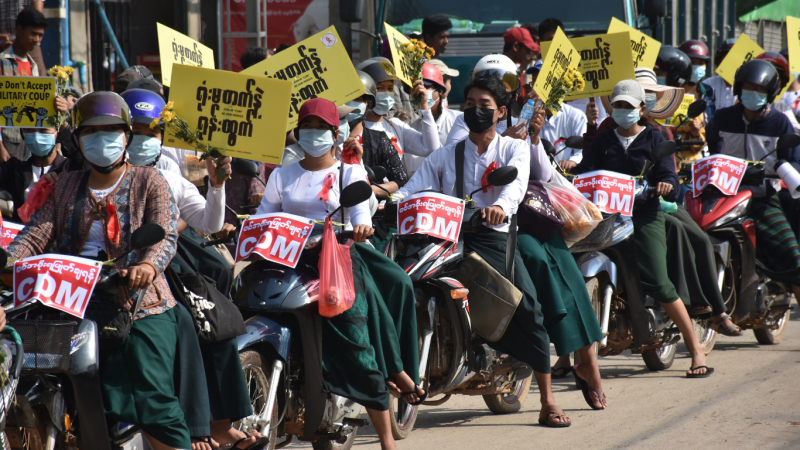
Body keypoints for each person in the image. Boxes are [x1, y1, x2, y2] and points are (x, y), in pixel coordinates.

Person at [6, 91, 190, 448]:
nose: (101, 138)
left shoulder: (150, 181)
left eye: (110, 130)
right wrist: (9, 259)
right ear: (77, 139)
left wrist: (147, 265)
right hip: (70, 303)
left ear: (126, 137)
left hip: (137, 304)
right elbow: (36, 233)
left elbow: (165, 234)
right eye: (91, 131)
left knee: (153, 402)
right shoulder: (66, 185)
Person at [398, 75, 575, 427]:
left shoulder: (513, 148)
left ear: (501, 112)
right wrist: (389, 201)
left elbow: (515, 187)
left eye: (484, 106)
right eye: (470, 105)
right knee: (405, 285)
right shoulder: (445, 154)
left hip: (491, 237)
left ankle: (548, 399)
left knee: (528, 309)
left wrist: (499, 208)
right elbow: (412, 189)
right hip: (445, 238)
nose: (475, 111)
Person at [256, 98, 423, 450]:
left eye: (321, 128)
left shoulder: (349, 173)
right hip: (289, 262)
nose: (313, 134)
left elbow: (360, 214)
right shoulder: (282, 175)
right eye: (307, 127)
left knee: (356, 344)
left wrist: (361, 228)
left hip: (337, 263)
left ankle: (386, 439)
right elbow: (264, 216)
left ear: (335, 134)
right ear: (297, 132)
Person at [565, 79, 714, 378]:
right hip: (606, 217)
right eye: (618, 105)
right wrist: (569, 171)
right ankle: (565, 357)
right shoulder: (603, 140)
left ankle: (695, 349)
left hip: (645, 216)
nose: (622, 111)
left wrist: (665, 185)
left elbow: (670, 178)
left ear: (642, 109)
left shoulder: (656, 139)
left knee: (658, 283)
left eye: (628, 106)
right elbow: (586, 171)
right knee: (572, 272)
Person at [706, 59, 800, 302]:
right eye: (748, 87)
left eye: (759, 89)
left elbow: (794, 160)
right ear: (739, 88)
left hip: (762, 199)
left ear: (770, 94)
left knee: (794, 258)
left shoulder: (780, 123)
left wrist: (783, 170)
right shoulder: (722, 118)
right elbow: (712, 152)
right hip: (723, 197)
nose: (753, 92)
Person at [0, 8, 63, 161]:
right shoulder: (2, 62)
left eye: (40, 35)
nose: (37, 39)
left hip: (30, 141)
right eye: (33, 34)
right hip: (9, 140)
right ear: (19, 30)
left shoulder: (34, 66)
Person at [359, 61, 439, 178]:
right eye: (380, 88)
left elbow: (431, 148)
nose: (386, 94)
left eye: (390, 88)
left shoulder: (395, 125)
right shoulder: (354, 128)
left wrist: (425, 107)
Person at [446, 55, 529, 143]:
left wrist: (535, 141)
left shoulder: (521, 127)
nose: (495, 91)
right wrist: (504, 141)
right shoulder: (465, 120)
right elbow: (455, 149)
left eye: (503, 85)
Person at [0, 126, 71, 223]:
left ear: (57, 133)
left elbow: (79, 156)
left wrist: (65, 127)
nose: (36, 136)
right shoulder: (15, 169)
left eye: (44, 130)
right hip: (21, 231)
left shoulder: (69, 169)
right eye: (29, 130)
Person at [525, 60, 587, 162]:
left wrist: (572, 161)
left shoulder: (576, 116)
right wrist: (527, 114)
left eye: (542, 81)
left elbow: (581, 151)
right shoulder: (530, 114)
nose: (537, 87)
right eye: (535, 82)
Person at [410, 64, 462, 146]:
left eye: (426, 87)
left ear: (440, 91)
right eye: (415, 89)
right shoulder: (412, 129)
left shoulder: (458, 121)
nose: (421, 93)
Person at [756, 52, 800, 132]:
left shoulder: (783, 110)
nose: (769, 82)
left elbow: (795, 130)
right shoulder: (735, 111)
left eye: (775, 77)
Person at [701, 38, 737, 116]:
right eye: (727, 58)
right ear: (719, 61)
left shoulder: (747, 87)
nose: (731, 62)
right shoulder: (707, 85)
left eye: (735, 58)